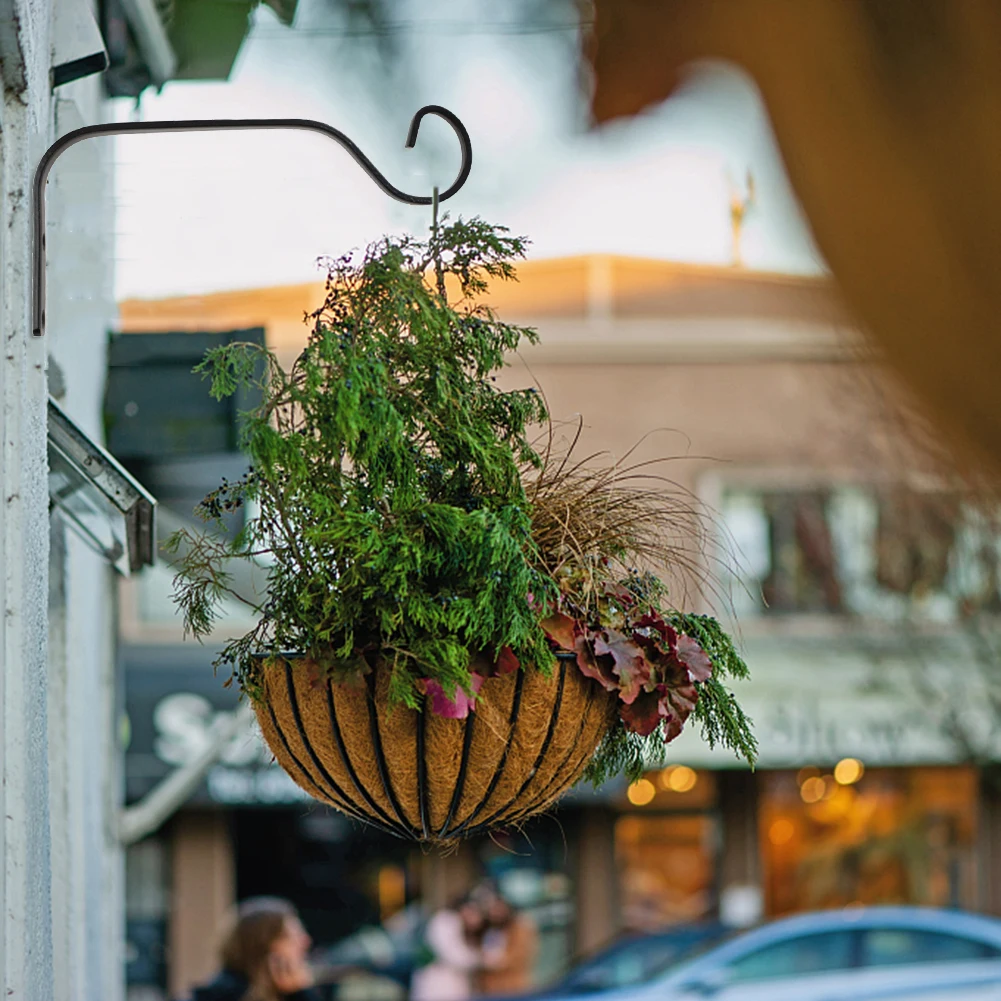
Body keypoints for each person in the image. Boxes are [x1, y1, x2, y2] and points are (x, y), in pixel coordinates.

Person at [179, 896, 323, 1001]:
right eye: (291, 937)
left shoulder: (288, 993)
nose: (305, 942)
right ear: (261, 945)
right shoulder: (220, 994)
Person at [410, 892, 501, 1001]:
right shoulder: (445, 921)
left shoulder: (474, 931)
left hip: (457, 988)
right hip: (435, 986)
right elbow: (455, 956)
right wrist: (480, 958)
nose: (476, 918)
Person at [473, 883, 538, 998]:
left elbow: (519, 956)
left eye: (497, 908)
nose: (494, 912)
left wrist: (495, 962)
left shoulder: (520, 927)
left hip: (512, 989)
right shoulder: (488, 929)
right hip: (488, 990)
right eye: (491, 909)